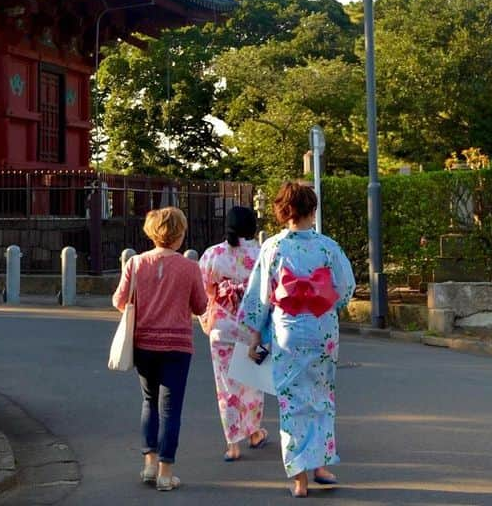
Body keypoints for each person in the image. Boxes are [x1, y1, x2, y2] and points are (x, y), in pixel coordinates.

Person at [239, 182, 355, 498]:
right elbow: (345, 288)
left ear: (282, 211)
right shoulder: (328, 247)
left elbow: (259, 297)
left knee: (292, 402)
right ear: (312, 210)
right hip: (322, 331)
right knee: (322, 396)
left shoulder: (273, 247)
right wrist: (323, 302)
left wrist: (254, 336)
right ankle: (322, 466)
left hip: (287, 330)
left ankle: (300, 479)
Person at [113, 206, 207, 492]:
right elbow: (201, 306)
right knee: (171, 408)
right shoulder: (190, 267)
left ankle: (149, 464)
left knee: (148, 401)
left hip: (144, 342)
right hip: (178, 345)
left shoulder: (136, 263)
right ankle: (166, 472)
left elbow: (119, 300)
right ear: (179, 235)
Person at [199, 205, 268, 461]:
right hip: (253, 328)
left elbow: (203, 289)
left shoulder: (213, 254)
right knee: (253, 382)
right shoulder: (260, 254)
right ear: (252, 228)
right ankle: (254, 433)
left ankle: (232, 444)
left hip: (222, 326)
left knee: (226, 386)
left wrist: (207, 318)